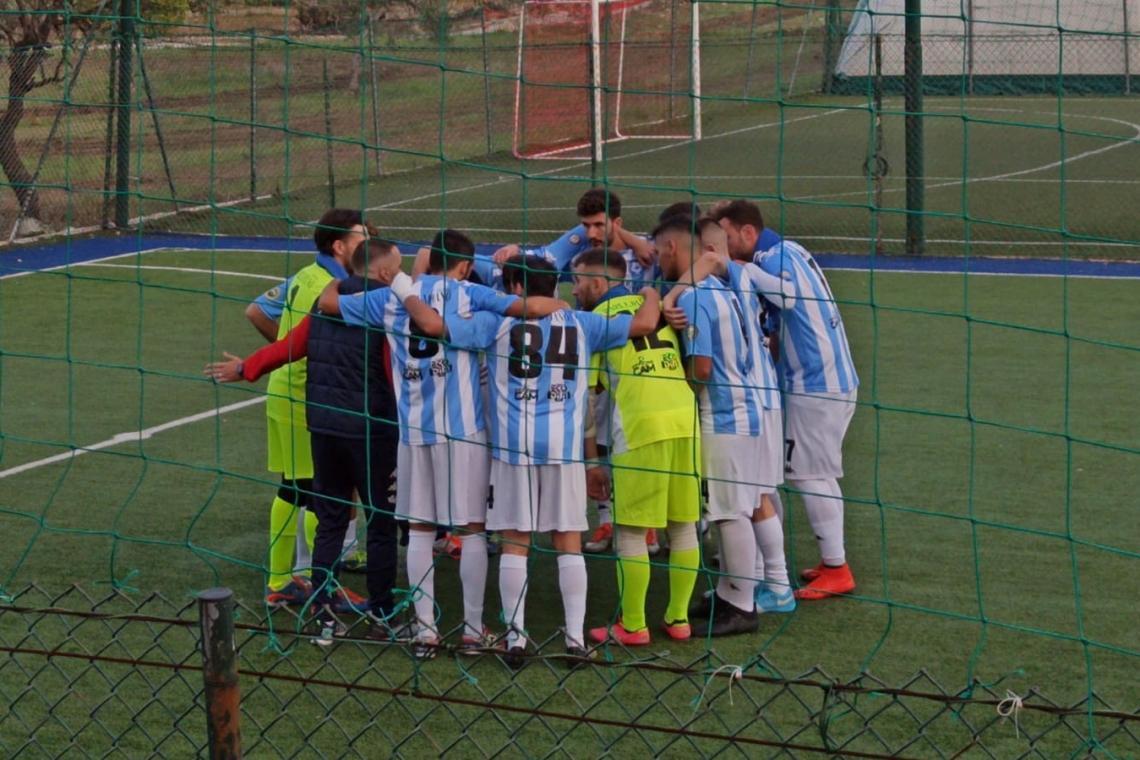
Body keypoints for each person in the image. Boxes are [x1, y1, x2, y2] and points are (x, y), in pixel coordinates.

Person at [316, 233, 568, 659]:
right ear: (466, 266)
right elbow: (530, 308)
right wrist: (562, 308)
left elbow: (328, 303)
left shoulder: (389, 299)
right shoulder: (472, 293)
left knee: (418, 530)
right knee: (471, 529)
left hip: (412, 431)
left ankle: (425, 632)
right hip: (463, 431)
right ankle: (472, 631)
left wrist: (339, 279)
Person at [438, 255, 662, 669]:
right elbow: (646, 324)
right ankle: (575, 640)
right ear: (554, 286)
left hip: (512, 448)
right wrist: (649, 290)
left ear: (515, 289)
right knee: (567, 542)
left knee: (515, 542)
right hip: (563, 449)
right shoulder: (583, 321)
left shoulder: (495, 322)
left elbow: (441, 329)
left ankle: (517, 639)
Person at [208, 239, 421, 640]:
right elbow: (395, 373)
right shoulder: (387, 308)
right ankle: (382, 614)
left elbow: (290, 347)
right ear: (384, 273)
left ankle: (323, 616)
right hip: (371, 430)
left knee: (330, 520)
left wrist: (247, 367)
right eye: (398, 266)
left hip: (323, 428)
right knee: (380, 523)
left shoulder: (326, 303)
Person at [712, 200, 860, 601]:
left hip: (816, 384)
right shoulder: (787, 251)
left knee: (809, 474)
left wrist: (741, 270)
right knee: (811, 472)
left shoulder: (772, 258)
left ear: (747, 233)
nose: (721, 246)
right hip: (825, 381)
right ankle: (828, 561)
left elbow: (789, 298)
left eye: (725, 236)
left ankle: (837, 568)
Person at [568, 248, 703, 647]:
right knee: (682, 526)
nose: (574, 290)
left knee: (630, 531)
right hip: (685, 421)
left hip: (640, 427)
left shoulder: (594, 322)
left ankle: (634, 625)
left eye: (577, 282)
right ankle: (678, 620)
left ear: (597, 283)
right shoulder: (659, 304)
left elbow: (589, 401)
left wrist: (592, 461)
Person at [654, 215, 780, 637]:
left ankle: (741, 606)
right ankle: (730, 592)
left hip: (723, 415)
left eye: (658, 253)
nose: (657, 261)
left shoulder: (692, 299)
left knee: (729, 512)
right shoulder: (729, 286)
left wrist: (678, 391)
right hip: (751, 408)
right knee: (740, 506)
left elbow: (702, 369)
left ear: (672, 248)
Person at [244, 208, 367, 608]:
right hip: (303, 397)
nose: (366, 245)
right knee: (319, 493)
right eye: (360, 239)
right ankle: (319, 585)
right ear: (339, 245)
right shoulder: (333, 285)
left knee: (292, 490)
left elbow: (262, 312)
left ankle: (283, 581)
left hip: (285, 392)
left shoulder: (306, 274)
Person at [488, 188, 659, 288]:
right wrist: (515, 250)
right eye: (586, 225)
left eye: (599, 225)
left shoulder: (649, 253)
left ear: (617, 223)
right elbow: (543, 258)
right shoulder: (577, 255)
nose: (591, 234)